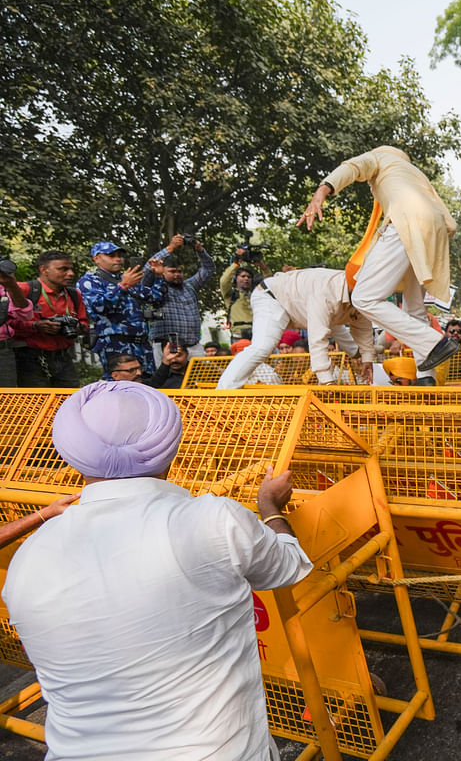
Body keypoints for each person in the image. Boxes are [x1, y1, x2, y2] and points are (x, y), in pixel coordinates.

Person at [4, 381, 312, 760]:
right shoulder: (211, 520)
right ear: (171, 447)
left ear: (72, 455)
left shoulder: (28, 559)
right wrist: (271, 507)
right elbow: (289, 566)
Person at [300, 146, 460, 371]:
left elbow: (352, 167)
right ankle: (427, 377)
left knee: (364, 297)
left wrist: (321, 192)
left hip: (405, 221)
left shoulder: (379, 158)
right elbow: (450, 224)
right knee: (414, 309)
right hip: (434, 231)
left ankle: (435, 342)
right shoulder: (414, 173)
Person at [215, 267, 375, 389]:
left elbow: (362, 324)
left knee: (338, 328)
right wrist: (327, 381)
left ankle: (356, 354)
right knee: (262, 347)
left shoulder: (360, 292)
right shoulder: (326, 294)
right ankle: (222, 393)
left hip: (299, 305)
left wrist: (367, 358)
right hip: (272, 297)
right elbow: (317, 336)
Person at [78, 241, 166, 378]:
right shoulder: (90, 281)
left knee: (148, 385)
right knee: (121, 388)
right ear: (96, 258)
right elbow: (100, 307)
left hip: (142, 344)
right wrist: (123, 286)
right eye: (111, 255)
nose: (118, 259)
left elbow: (156, 298)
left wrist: (159, 276)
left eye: (120, 255)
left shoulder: (128, 278)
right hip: (116, 345)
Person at [13, 251, 89, 388]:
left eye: (71, 269)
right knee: (37, 404)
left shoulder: (74, 294)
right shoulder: (24, 290)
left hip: (63, 357)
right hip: (30, 358)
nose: (71, 273)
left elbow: (84, 323)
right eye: (63, 269)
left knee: (69, 402)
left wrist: (78, 327)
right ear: (44, 270)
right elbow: (7, 324)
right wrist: (36, 326)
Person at [148, 234, 215, 361]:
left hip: (193, 346)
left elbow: (208, 268)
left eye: (179, 271)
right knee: (167, 380)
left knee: (200, 378)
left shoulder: (190, 286)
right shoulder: (155, 288)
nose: (177, 275)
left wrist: (200, 250)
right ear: (162, 271)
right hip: (167, 345)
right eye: (172, 272)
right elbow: (149, 266)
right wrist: (170, 248)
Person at [0, 265, 34, 387]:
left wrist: (11, 285)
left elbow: (25, 315)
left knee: (6, 401)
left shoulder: (2, 287)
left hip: (3, 351)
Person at [219, 256, 259, 339]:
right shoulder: (231, 294)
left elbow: (268, 282)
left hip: (257, 333)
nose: (246, 279)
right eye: (243, 276)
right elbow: (224, 281)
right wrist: (236, 263)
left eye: (249, 277)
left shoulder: (256, 295)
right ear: (236, 279)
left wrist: (262, 266)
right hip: (239, 334)